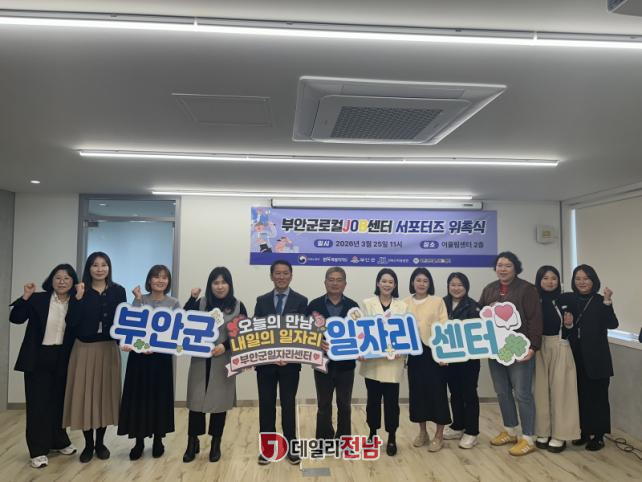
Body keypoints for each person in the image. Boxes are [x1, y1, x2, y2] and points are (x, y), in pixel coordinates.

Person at [9, 264, 79, 468]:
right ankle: (38, 450)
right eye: (58, 278)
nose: (62, 282)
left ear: (73, 282)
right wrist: (25, 297)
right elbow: (16, 318)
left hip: (63, 357)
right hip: (38, 357)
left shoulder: (76, 302)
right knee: (38, 404)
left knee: (59, 402)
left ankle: (59, 441)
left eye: (67, 278)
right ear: (51, 280)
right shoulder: (38, 298)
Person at [63, 251, 126, 463]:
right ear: (88, 268)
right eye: (95, 265)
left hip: (108, 349)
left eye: (104, 264)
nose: (100, 269)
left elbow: (123, 321)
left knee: (104, 396)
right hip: (84, 349)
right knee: (85, 397)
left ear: (109, 268)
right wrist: (78, 299)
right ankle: (88, 444)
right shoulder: (79, 290)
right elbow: (71, 322)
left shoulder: (118, 291)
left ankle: (100, 443)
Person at [478, 251, 542, 456]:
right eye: (500, 265)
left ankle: (528, 437)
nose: (503, 269)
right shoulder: (490, 289)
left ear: (516, 268)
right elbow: (480, 316)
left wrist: (533, 347)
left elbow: (534, 319)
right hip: (496, 349)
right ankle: (511, 430)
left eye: (507, 265)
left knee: (522, 393)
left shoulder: (527, 289)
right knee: (502, 391)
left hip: (519, 348)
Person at [182, 267, 246, 463]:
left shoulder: (238, 306)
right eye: (215, 282)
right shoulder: (201, 303)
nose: (220, 286)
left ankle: (216, 443)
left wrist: (225, 346)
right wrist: (192, 298)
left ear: (229, 284)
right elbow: (182, 321)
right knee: (196, 403)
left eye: (223, 282)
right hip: (200, 360)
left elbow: (243, 333)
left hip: (223, 360)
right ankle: (192, 442)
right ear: (210, 285)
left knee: (219, 405)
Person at [118, 265, 178, 460]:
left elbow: (177, 332)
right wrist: (137, 299)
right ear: (149, 280)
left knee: (159, 398)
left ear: (168, 281)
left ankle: (158, 439)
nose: (160, 281)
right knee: (139, 399)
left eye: (164, 277)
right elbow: (131, 326)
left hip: (161, 359)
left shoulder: (174, 303)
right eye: (156, 277)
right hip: (139, 359)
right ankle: (139, 442)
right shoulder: (140, 299)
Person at [254, 260, 308, 465]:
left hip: (290, 365)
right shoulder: (262, 301)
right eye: (278, 273)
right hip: (266, 365)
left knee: (288, 404)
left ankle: (291, 446)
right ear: (271, 276)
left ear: (291, 275)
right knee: (266, 405)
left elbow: (304, 333)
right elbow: (256, 331)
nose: (281, 277)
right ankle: (268, 448)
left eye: (285, 273)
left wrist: (289, 355)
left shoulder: (301, 301)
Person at [561, 264, 618, 451]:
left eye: (586, 278)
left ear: (593, 280)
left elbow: (612, 324)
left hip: (598, 359)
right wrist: (568, 326)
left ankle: (599, 436)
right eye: (578, 278)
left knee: (598, 398)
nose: (582, 282)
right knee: (580, 396)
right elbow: (567, 332)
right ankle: (584, 432)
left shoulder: (601, 300)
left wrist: (608, 301)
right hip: (575, 357)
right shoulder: (570, 300)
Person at [305, 267, 359, 442]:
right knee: (323, 405)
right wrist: (316, 342)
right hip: (322, 364)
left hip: (346, 365)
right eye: (331, 279)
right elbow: (304, 333)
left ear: (345, 284)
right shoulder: (314, 306)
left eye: (339, 280)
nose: (335, 283)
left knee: (345, 405)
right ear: (325, 282)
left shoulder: (353, 307)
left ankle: (344, 440)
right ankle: (324, 440)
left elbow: (359, 335)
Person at [359, 268, 407, 457]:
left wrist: (402, 349)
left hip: (393, 363)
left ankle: (392, 436)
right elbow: (360, 330)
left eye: (390, 282)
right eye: (384, 281)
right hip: (372, 362)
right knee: (373, 401)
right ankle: (372, 433)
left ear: (395, 285)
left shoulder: (402, 306)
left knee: (392, 402)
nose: (387, 284)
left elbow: (406, 332)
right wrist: (361, 350)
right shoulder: (367, 303)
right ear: (378, 283)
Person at [533, 266, 580, 453]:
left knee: (562, 391)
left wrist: (569, 324)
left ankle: (561, 434)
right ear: (539, 280)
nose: (550, 281)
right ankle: (542, 431)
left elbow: (574, 328)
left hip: (560, 345)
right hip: (537, 347)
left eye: (554, 278)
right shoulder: (533, 300)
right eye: (545, 278)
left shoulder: (566, 299)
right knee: (540, 391)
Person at [403, 268, 450, 452]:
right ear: (412, 282)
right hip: (414, 354)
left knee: (438, 394)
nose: (421, 284)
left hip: (434, 353)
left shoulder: (437, 301)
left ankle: (439, 435)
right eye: (418, 280)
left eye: (425, 281)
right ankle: (423, 432)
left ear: (429, 283)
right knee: (417, 394)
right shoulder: (404, 302)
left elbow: (444, 326)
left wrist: (443, 353)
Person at [442, 272, 482, 449]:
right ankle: (458, 425)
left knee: (469, 394)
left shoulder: (474, 306)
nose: (456, 288)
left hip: (469, 359)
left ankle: (472, 431)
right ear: (448, 286)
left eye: (460, 285)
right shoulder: (441, 303)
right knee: (455, 393)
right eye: (453, 284)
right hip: (449, 358)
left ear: (466, 287)